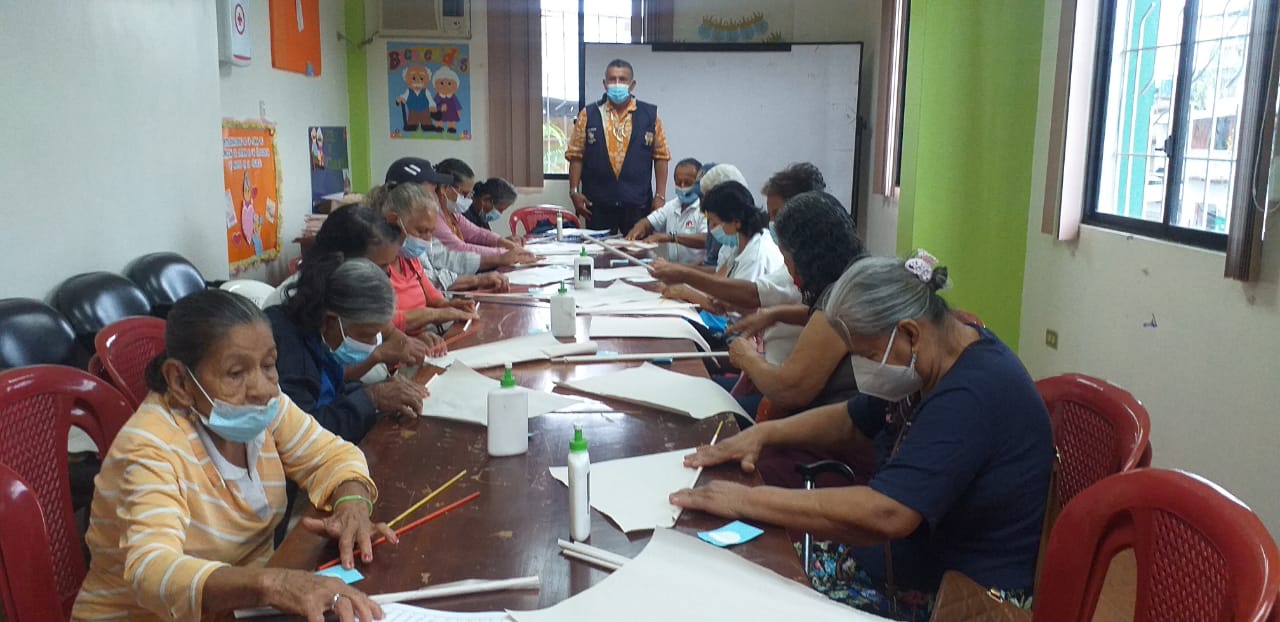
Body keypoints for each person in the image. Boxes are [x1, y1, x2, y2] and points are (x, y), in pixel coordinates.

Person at [671, 252, 1054, 620]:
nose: (865, 368)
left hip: (956, 599)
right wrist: (765, 433)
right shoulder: (936, 355)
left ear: (910, 333)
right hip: (893, 567)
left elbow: (889, 512)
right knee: (731, 572)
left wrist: (747, 500)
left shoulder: (972, 394)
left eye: (868, 355)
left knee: (748, 594)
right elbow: (853, 419)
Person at [73, 290, 393, 622]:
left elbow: (332, 454)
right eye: (236, 373)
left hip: (240, 607)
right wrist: (274, 584)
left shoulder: (266, 408)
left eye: (269, 365)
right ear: (180, 381)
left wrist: (352, 504)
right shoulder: (150, 447)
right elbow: (152, 570)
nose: (263, 388)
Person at [650, 161, 829, 366]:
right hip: (758, 354)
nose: (773, 223)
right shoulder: (737, 246)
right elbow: (725, 289)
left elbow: (750, 295)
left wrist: (684, 279)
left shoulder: (771, 255)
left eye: (777, 215)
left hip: (758, 354)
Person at [267, 256, 429, 444]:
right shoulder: (284, 348)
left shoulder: (319, 334)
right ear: (331, 320)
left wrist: (383, 389)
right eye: (366, 335)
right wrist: (372, 398)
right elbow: (304, 435)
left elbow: (335, 391)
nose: (373, 343)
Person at [566, 59, 672, 233]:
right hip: (598, 204)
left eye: (622, 79)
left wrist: (660, 196)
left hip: (638, 203)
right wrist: (574, 192)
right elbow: (576, 156)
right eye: (612, 79)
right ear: (604, 83)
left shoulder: (650, 116)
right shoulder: (588, 114)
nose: (617, 84)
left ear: (632, 85)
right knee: (598, 249)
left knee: (638, 249)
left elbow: (661, 157)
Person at [366, 182, 480, 337]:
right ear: (393, 221)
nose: (427, 239)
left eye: (431, 232)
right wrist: (434, 315)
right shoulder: (375, 264)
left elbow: (433, 298)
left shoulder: (409, 258)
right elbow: (382, 323)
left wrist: (451, 305)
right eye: (421, 231)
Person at [385, 157, 533, 271]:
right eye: (432, 191)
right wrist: (502, 255)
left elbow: (476, 233)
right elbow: (456, 252)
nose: (436, 194)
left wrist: (506, 246)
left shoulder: (448, 214)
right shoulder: (399, 243)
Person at [659, 181, 782, 309]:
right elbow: (717, 282)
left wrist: (685, 291)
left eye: (714, 223)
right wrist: (679, 279)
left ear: (736, 222)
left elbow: (734, 308)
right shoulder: (739, 244)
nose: (711, 229)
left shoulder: (756, 255)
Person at [432, 158, 528, 254]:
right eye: (464, 194)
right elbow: (460, 249)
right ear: (444, 188)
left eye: (470, 194)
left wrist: (503, 242)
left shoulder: (453, 214)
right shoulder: (434, 215)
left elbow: (477, 233)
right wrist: (504, 252)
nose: (468, 199)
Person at [625, 157, 707, 264]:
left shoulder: (706, 208)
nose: (682, 187)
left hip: (698, 269)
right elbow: (648, 222)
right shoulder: (672, 205)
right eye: (678, 183)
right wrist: (638, 230)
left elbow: (706, 239)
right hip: (673, 269)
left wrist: (671, 237)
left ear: (699, 183)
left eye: (687, 183)